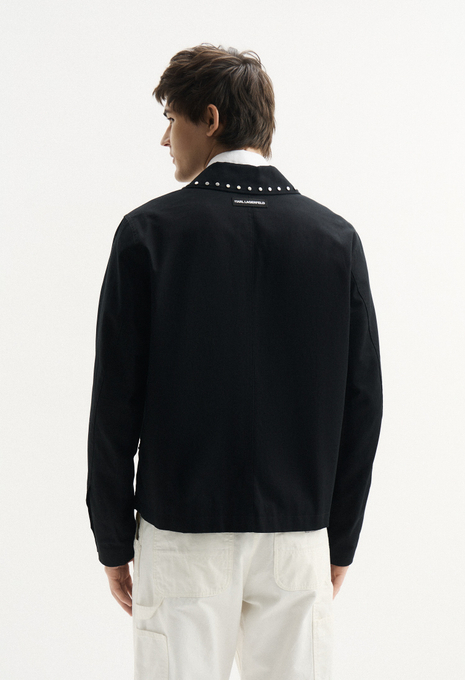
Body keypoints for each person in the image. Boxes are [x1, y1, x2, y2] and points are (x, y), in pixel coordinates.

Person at [86, 43, 383, 680]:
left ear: (211, 119)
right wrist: (339, 537)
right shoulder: (335, 240)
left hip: (181, 535)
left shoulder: (149, 233)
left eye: (172, 118)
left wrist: (112, 537)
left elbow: (114, 403)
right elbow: (364, 403)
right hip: (298, 536)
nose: (165, 138)